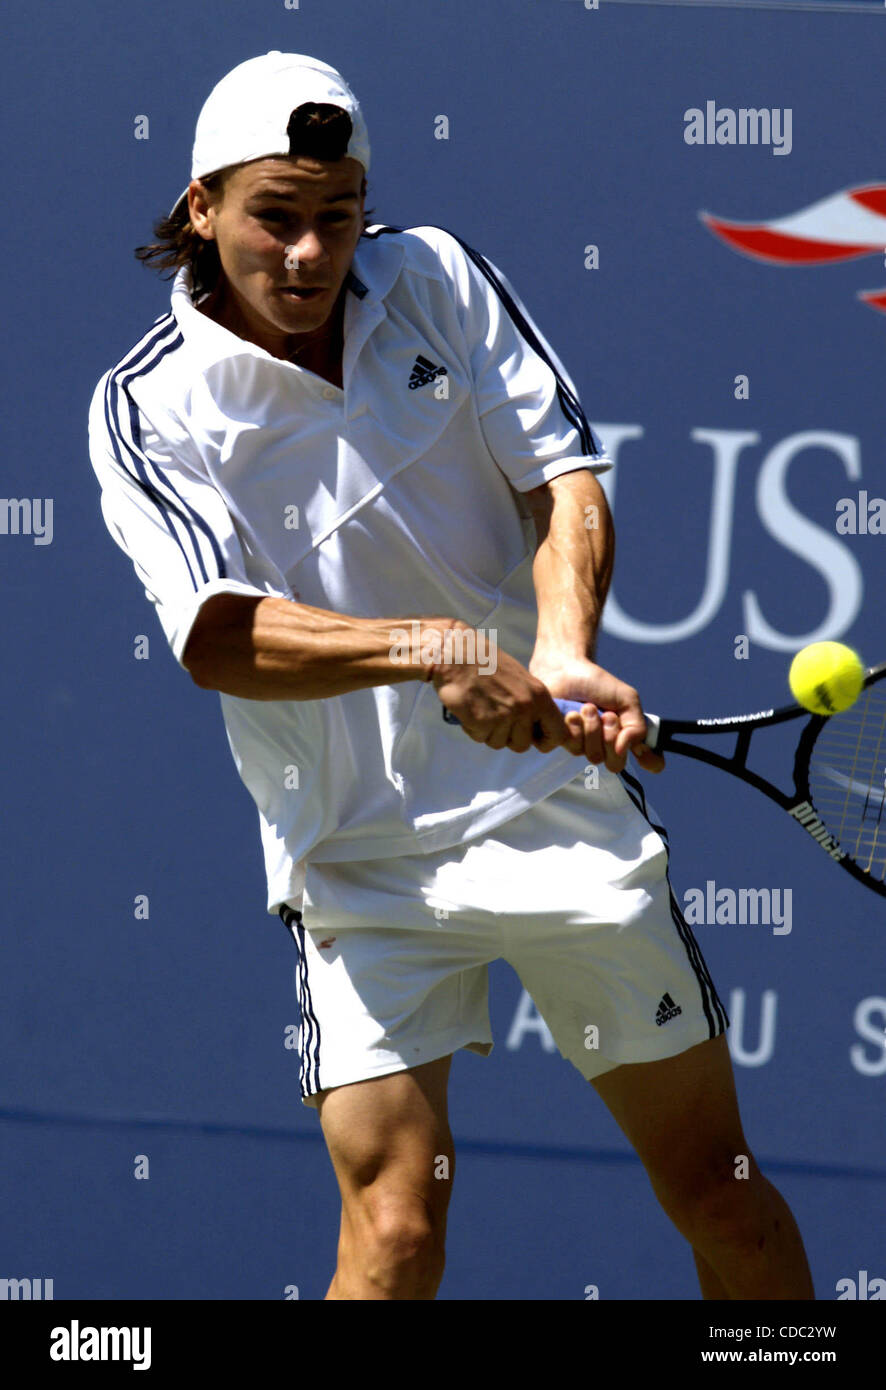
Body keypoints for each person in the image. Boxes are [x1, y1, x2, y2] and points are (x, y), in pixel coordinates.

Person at [88, 51, 813, 1301]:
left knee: (717, 1194)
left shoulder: (435, 279)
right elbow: (219, 640)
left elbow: (561, 477)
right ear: (200, 205)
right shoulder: (146, 408)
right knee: (395, 1232)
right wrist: (433, 649)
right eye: (274, 217)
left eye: (337, 215)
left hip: (552, 818)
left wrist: (563, 646)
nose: (311, 254)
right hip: (357, 861)